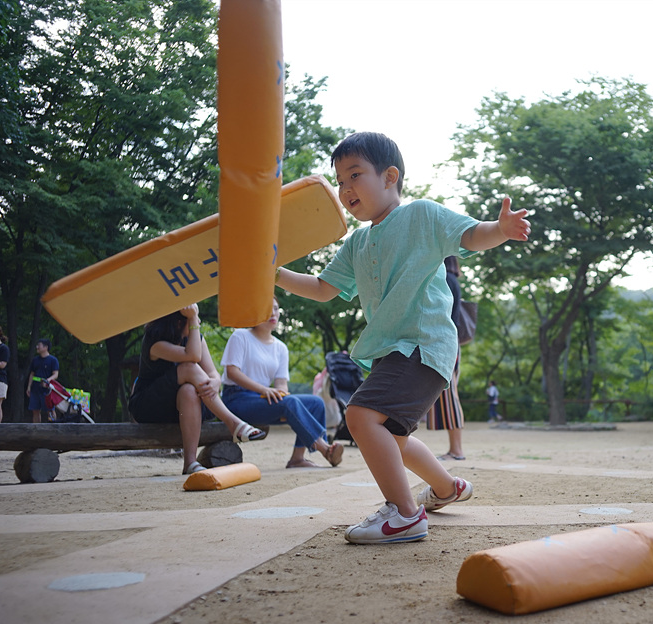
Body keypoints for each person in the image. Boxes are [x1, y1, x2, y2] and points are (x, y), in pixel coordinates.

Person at [275, 131, 531, 544]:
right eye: (339, 181)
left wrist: (500, 229)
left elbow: (470, 235)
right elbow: (323, 288)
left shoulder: (421, 216)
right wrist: (274, 273)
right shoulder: (357, 243)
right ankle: (446, 487)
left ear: (390, 176)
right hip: (392, 351)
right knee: (392, 436)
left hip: (423, 343)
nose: (345, 188)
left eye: (355, 175)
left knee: (361, 417)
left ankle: (406, 515)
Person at [128, 304, 266, 475]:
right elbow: (192, 356)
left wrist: (215, 382)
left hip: (185, 408)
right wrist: (193, 318)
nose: (198, 321)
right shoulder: (154, 341)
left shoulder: (195, 339)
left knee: (188, 390)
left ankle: (190, 463)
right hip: (149, 406)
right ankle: (233, 423)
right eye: (194, 318)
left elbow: (213, 374)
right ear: (179, 322)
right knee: (188, 368)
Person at [221, 298, 343, 469]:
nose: (273, 313)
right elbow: (232, 372)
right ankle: (325, 449)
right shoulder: (240, 336)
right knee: (290, 402)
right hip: (236, 399)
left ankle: (297, 459)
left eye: (276, 309)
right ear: (255, 312)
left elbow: (281, 384)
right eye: (267, 309)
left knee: (315, 403)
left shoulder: (280, 347)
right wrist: (265, 390)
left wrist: (282, 397)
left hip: (263, 399)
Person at [427, 257, 467, 460]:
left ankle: (456, 450)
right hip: (448, 342)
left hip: (445, 342)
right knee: (447, 394)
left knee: (449, 394)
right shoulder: (451, 280)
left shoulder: (445, 279)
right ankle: (455, 449)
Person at [26, 338, 60, 423]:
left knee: (50, 410)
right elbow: (32, 374)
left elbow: (55, 374)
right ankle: (36, 429)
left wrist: (48, 380)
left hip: (47, 390)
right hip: (35, 389)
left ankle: (53, 427)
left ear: (46, 347)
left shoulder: (53, 360)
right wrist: (29, 387)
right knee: (35, 410)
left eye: (39, 345)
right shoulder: (35, 360)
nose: (37, 347)